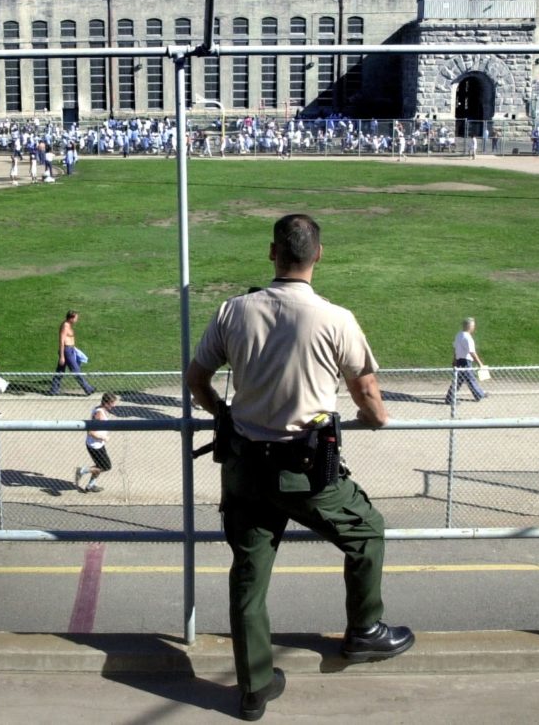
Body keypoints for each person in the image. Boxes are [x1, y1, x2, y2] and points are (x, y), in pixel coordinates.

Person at [185, 214, 414, 721]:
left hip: (244, 467)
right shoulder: (336, 319)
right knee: (367, 532)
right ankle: (365, 631)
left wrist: (222, 413)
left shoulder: (233, 311)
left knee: (248, 575)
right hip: (306, 472)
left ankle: (253, 688)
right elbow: (369, 396)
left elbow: (196, 378)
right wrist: (374, 418)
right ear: (319, 255)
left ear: (272, 254)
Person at [75, 392, 120, 493]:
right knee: (106, 466)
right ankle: (82, 471)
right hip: (94, 446)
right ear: (106, 403)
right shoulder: (99, 413)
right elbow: (91, 432)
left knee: (99, 466)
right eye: (112, 403)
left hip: (98, 444)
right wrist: (103, 437)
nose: (114, 405)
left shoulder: (100, 409)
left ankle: (91, 485)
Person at [49, 310, 96, 395]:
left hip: (70, 350)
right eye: (76, 318)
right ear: (71, 318)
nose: (77, 319)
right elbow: (61, 341)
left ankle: (53, 390)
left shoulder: (69, 325)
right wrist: (62, 356)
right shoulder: (65, 326)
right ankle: (88, 389)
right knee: (76, 370)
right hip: (66, 351)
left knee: (60, 371)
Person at [443, 317, 488, 404]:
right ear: (469, 326)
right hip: (466, 361)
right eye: (473, 326)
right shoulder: (467, 338)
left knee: (461, 380)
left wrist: (454, 360)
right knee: (469, 379)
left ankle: (478, 394)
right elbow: (472, 352)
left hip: (460, 360)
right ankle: (478, 394)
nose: (474, 328)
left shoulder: (459, 335)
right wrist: (480, 364)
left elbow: (455, 349)